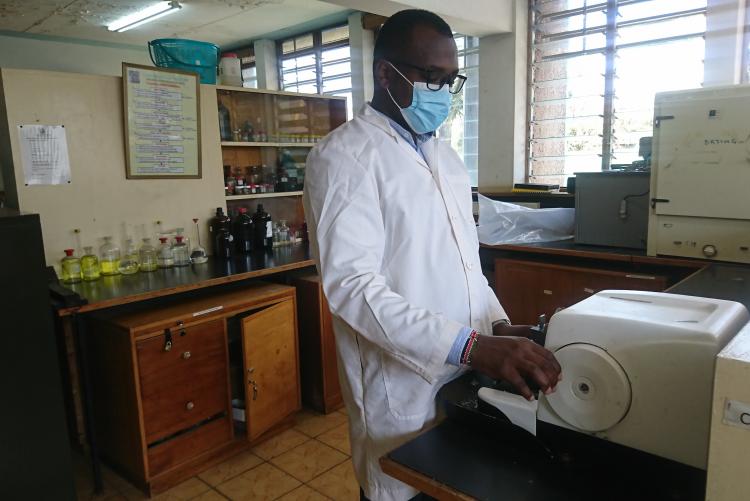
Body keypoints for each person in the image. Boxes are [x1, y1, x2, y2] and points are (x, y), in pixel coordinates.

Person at [303, 9, 562, 501]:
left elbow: (467, 265)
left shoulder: (445, 155)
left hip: (465, 378)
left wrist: (498, 328)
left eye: (450, 79)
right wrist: (472, 345)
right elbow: (353, 291)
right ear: (386, 73)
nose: (442, 92)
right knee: (409, 485)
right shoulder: (343, 157)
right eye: (430, 77)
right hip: (401, 390)